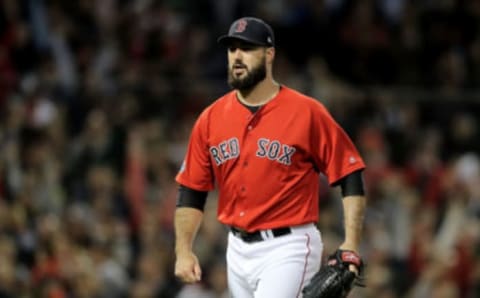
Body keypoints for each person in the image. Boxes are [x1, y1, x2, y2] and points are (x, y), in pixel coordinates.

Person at [174, 16, 367, 297]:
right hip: (237, 249)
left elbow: (350, 173)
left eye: (247, 48)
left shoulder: (306, 112)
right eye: (232, 49)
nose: (237, 56)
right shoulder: (210, 119)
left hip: (288, 246)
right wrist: (184, 250)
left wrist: (350, 242)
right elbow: (191, 189)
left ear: (269, 54)